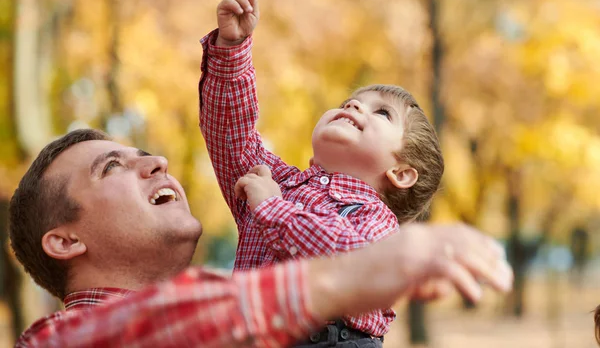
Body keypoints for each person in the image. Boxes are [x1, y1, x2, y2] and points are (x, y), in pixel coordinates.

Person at [9, 128, 512, 347]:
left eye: (144, 152)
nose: (157, 161)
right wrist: (350, 275)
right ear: (66, 241)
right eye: (112, 166)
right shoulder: (61, 339)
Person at [198, 0, 443, 344]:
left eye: (381, 112)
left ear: (402, 172)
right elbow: (230, 135)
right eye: (350, 102)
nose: (356, 108)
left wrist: (273, 210)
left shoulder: (376, 221)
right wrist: (232, 51)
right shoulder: (277, 184)